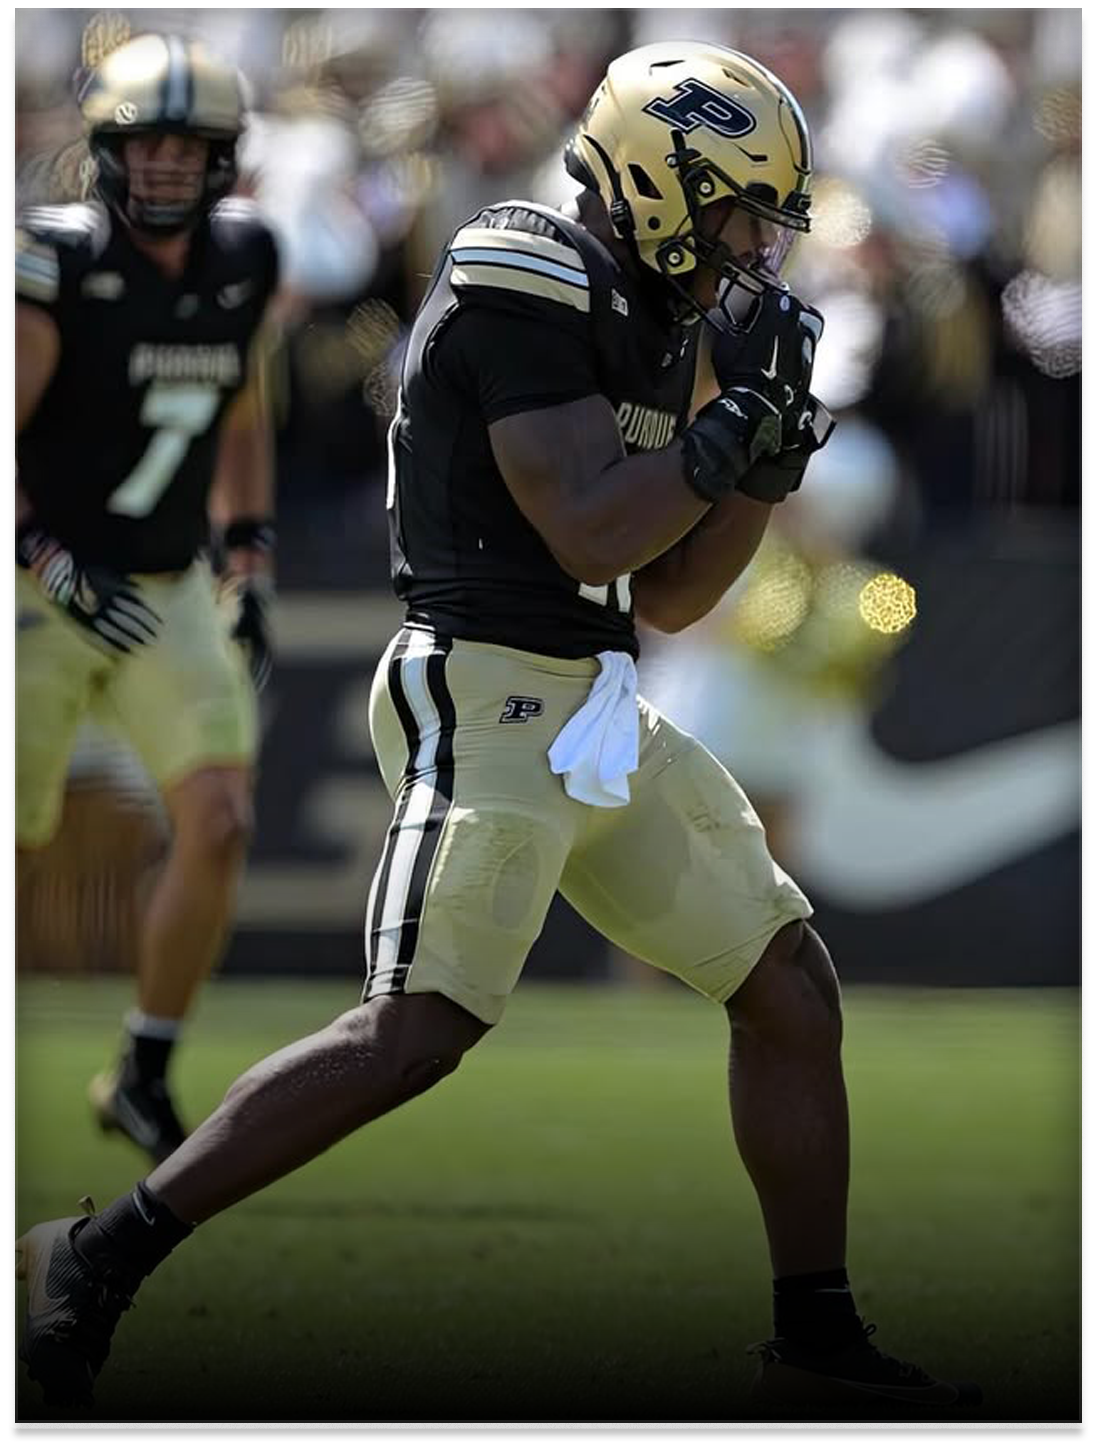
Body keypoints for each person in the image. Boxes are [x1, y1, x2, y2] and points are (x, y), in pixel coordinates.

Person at [16, 41, 980, 1413]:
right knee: (413, 1032)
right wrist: (719, 438)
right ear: (655, 175)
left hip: (589, 695)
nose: (753, 244)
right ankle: (93, 1257)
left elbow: (666, 591)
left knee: (786, 987)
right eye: (734, 209)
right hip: (480, 683)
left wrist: (759, 458)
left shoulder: (654, 308)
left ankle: (811, 1340)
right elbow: (583, 519)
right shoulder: (519, 261)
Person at [15, 32, 279, 1166]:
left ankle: (143, 1067)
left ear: (225, 158)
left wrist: (250, 562)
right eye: (147, 144)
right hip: (38, 587)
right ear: (106, 152)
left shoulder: (244, 259)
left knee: (218, 818)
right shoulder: (53, 260)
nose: (168, 166)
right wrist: (45, 557)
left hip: (167, 584)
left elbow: (238, 407)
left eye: (191, 146)